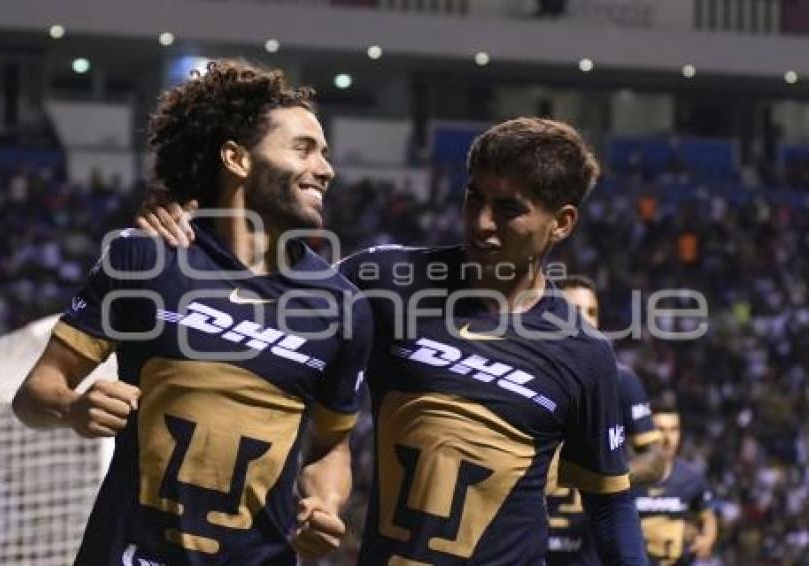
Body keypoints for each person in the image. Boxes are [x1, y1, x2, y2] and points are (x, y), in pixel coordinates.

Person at [141, 117, 648, 564]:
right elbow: (268, 291)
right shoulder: (386, 279)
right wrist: (191, 212)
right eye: (474, 198)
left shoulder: (585, 355)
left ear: (560, 223)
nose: (481, 223)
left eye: (509, 209)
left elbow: (610, 507)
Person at [12, 60, 373, 565]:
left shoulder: (342, 306)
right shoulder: (146, 257)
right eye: (304, 148)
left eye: (326, 154)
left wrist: (325, 503)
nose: (326, 169)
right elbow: (34, 393)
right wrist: (72, 407)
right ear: (237, 159)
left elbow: (330, 446)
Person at [546, 274, 665, 565]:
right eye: (576, 311)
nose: (586, 320)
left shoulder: (621, 381)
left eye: (592, 312)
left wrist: (603, 471)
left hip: (591, 549)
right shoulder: (524, 374)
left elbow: (656, 459)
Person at [632, 397, 718, 564]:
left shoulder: (692, 478)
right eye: (661, 429)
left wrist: (706, 539)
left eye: (674, 430)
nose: (668, 438)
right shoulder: (628, 477)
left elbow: (708, 518)